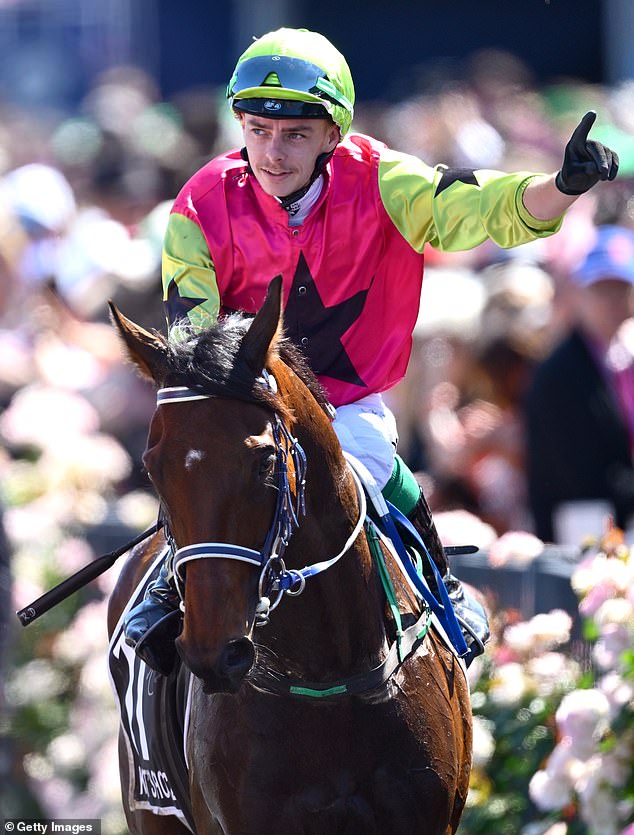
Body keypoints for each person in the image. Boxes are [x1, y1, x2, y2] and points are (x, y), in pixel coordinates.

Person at [124, 27, 618, 674]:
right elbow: (195, 342)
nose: (273, 152)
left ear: (333, 134)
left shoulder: (386, 181)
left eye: (296, 133)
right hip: (246, 408)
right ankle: (165, 583)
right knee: (201, 469)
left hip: (346, 402)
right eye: (258, 129)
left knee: (376, 465)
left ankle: (439, 586)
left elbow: (483, 207)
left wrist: (562, 185)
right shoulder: (198, 205)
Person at [525, 224, 634, 543]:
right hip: (580, 533)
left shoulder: (621, 358)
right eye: (602, 289)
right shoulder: (557, 372)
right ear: (580, 293)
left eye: (622, 288)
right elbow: (579, 474)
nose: (613, 301)